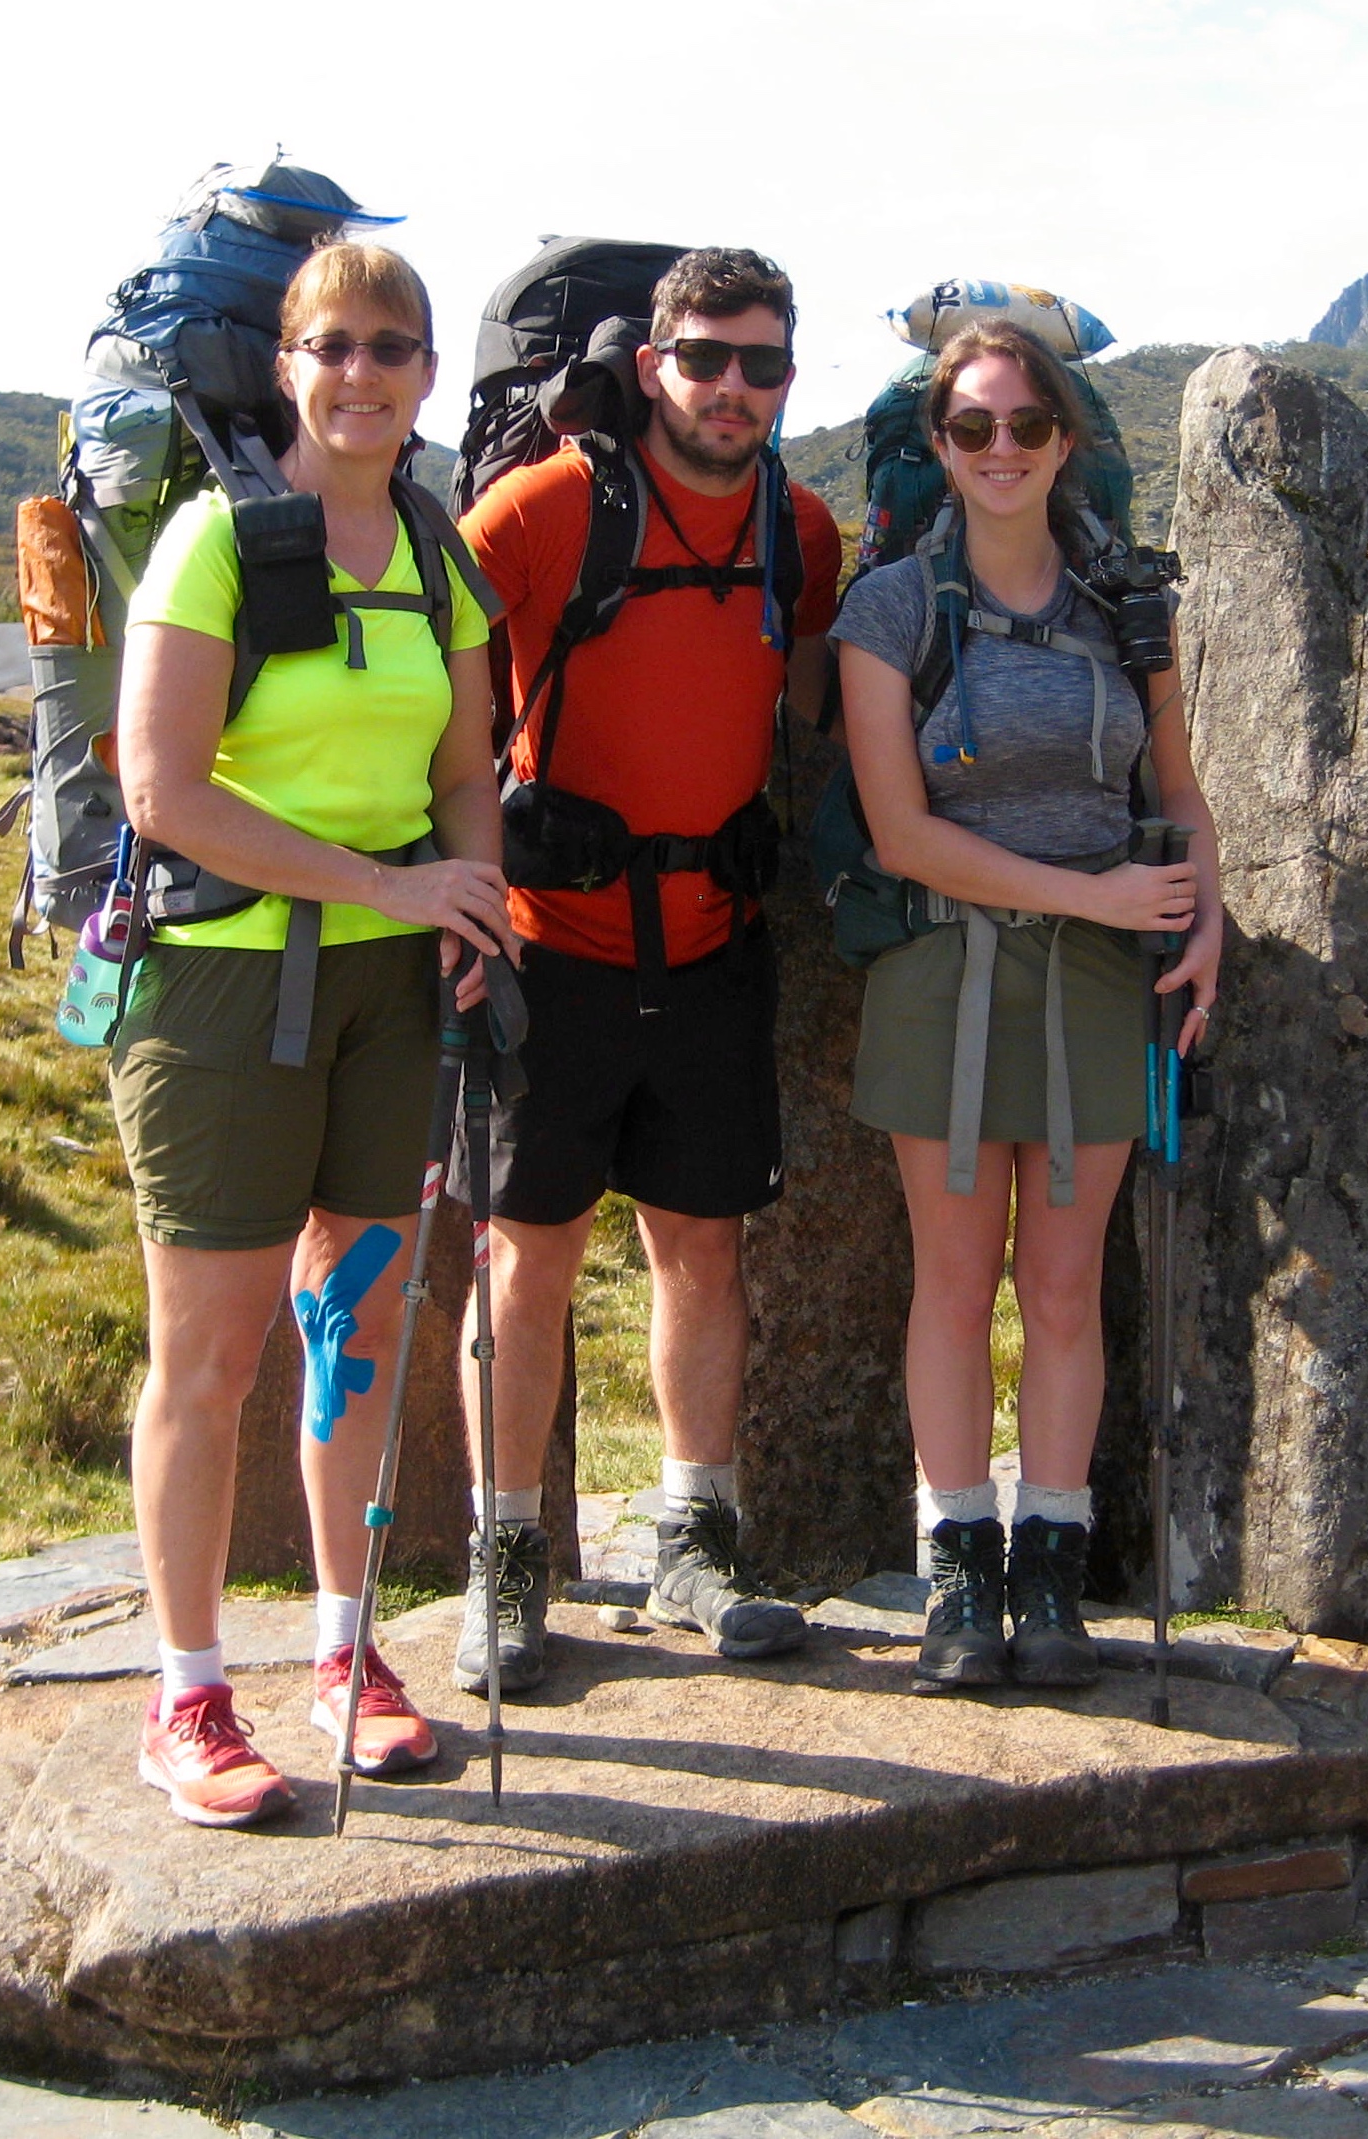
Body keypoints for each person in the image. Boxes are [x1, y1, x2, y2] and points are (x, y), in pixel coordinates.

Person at [111, 241, 516, 1826]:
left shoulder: (436, 549)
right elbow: (167, 791)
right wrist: (388, 887)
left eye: (392, 348)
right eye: (333, 345)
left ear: (426, 376)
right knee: (208, 1359)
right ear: (286, 365)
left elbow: (470, 760)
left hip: (388, 995)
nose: (363, 373)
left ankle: (347, 1656)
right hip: (223, 987)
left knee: (352, 1332)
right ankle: (189, 1694)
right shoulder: (213, 546)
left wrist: (468, 900)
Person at [452, 248, 841, 1691]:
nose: (732, 388)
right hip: (548, 950)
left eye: (763, 364)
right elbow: (433, 678)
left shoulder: (802, 530)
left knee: (704, 1252)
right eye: (706, 358)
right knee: (523, 1261)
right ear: (652, 362)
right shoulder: (549, 508)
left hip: (714, 952)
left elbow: (805, 703)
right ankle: (509, 1564)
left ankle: (698, 1540)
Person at [831, 321, 1219, 1688]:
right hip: (948, 968)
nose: (1002, 450)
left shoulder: (1129, 604)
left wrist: (1201, 913)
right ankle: (958, 1574)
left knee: (1062, 1285)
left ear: (1067, 443)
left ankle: (1049, 1564)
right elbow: (903, 836)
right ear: (936, 447)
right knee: (954, 1280)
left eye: (1027, 426)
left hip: (1101, 984)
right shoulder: (888, 609)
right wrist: (1103, 902)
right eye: (973, 427)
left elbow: (1175, 793)